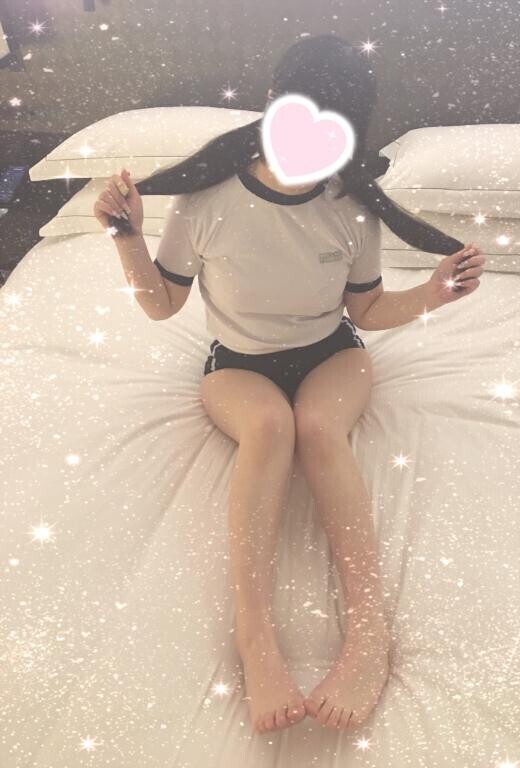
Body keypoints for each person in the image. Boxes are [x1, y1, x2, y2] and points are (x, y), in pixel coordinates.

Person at [94, 33, 485, 735]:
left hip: (332, 354)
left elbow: (366, 310)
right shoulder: (207, 201)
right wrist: (127, 238)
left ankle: (368, 632)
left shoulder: (350, 206)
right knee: (270, 428)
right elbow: (162, 304)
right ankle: (256, 635)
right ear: (273, 103)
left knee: (317, 430)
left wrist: (432, 294)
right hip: (238, 365)